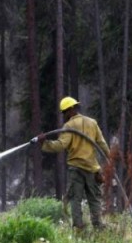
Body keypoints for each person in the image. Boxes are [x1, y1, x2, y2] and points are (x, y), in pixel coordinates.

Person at [36, 97, 110, 230]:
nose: (63, 115)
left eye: (64, 112)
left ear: (71, 110)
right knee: (95, 199)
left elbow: (60, 145)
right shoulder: (92, 123)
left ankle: (78, 228)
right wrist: (110, 159)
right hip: (92, 169)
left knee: (76, 199)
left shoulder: (69, 126)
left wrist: (44, 143)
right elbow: (102, 144)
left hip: (76, 169)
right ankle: (98, 227)